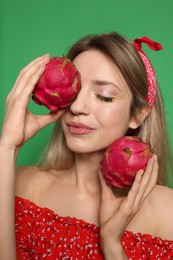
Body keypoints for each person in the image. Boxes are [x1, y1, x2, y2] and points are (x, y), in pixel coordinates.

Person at [0, 32, 173, 260]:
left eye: (104, 96)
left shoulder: (166, 211)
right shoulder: (22, 185)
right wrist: (7, 147)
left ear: (137, 115)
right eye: (74, 90)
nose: (78, 107)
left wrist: (112, 245)